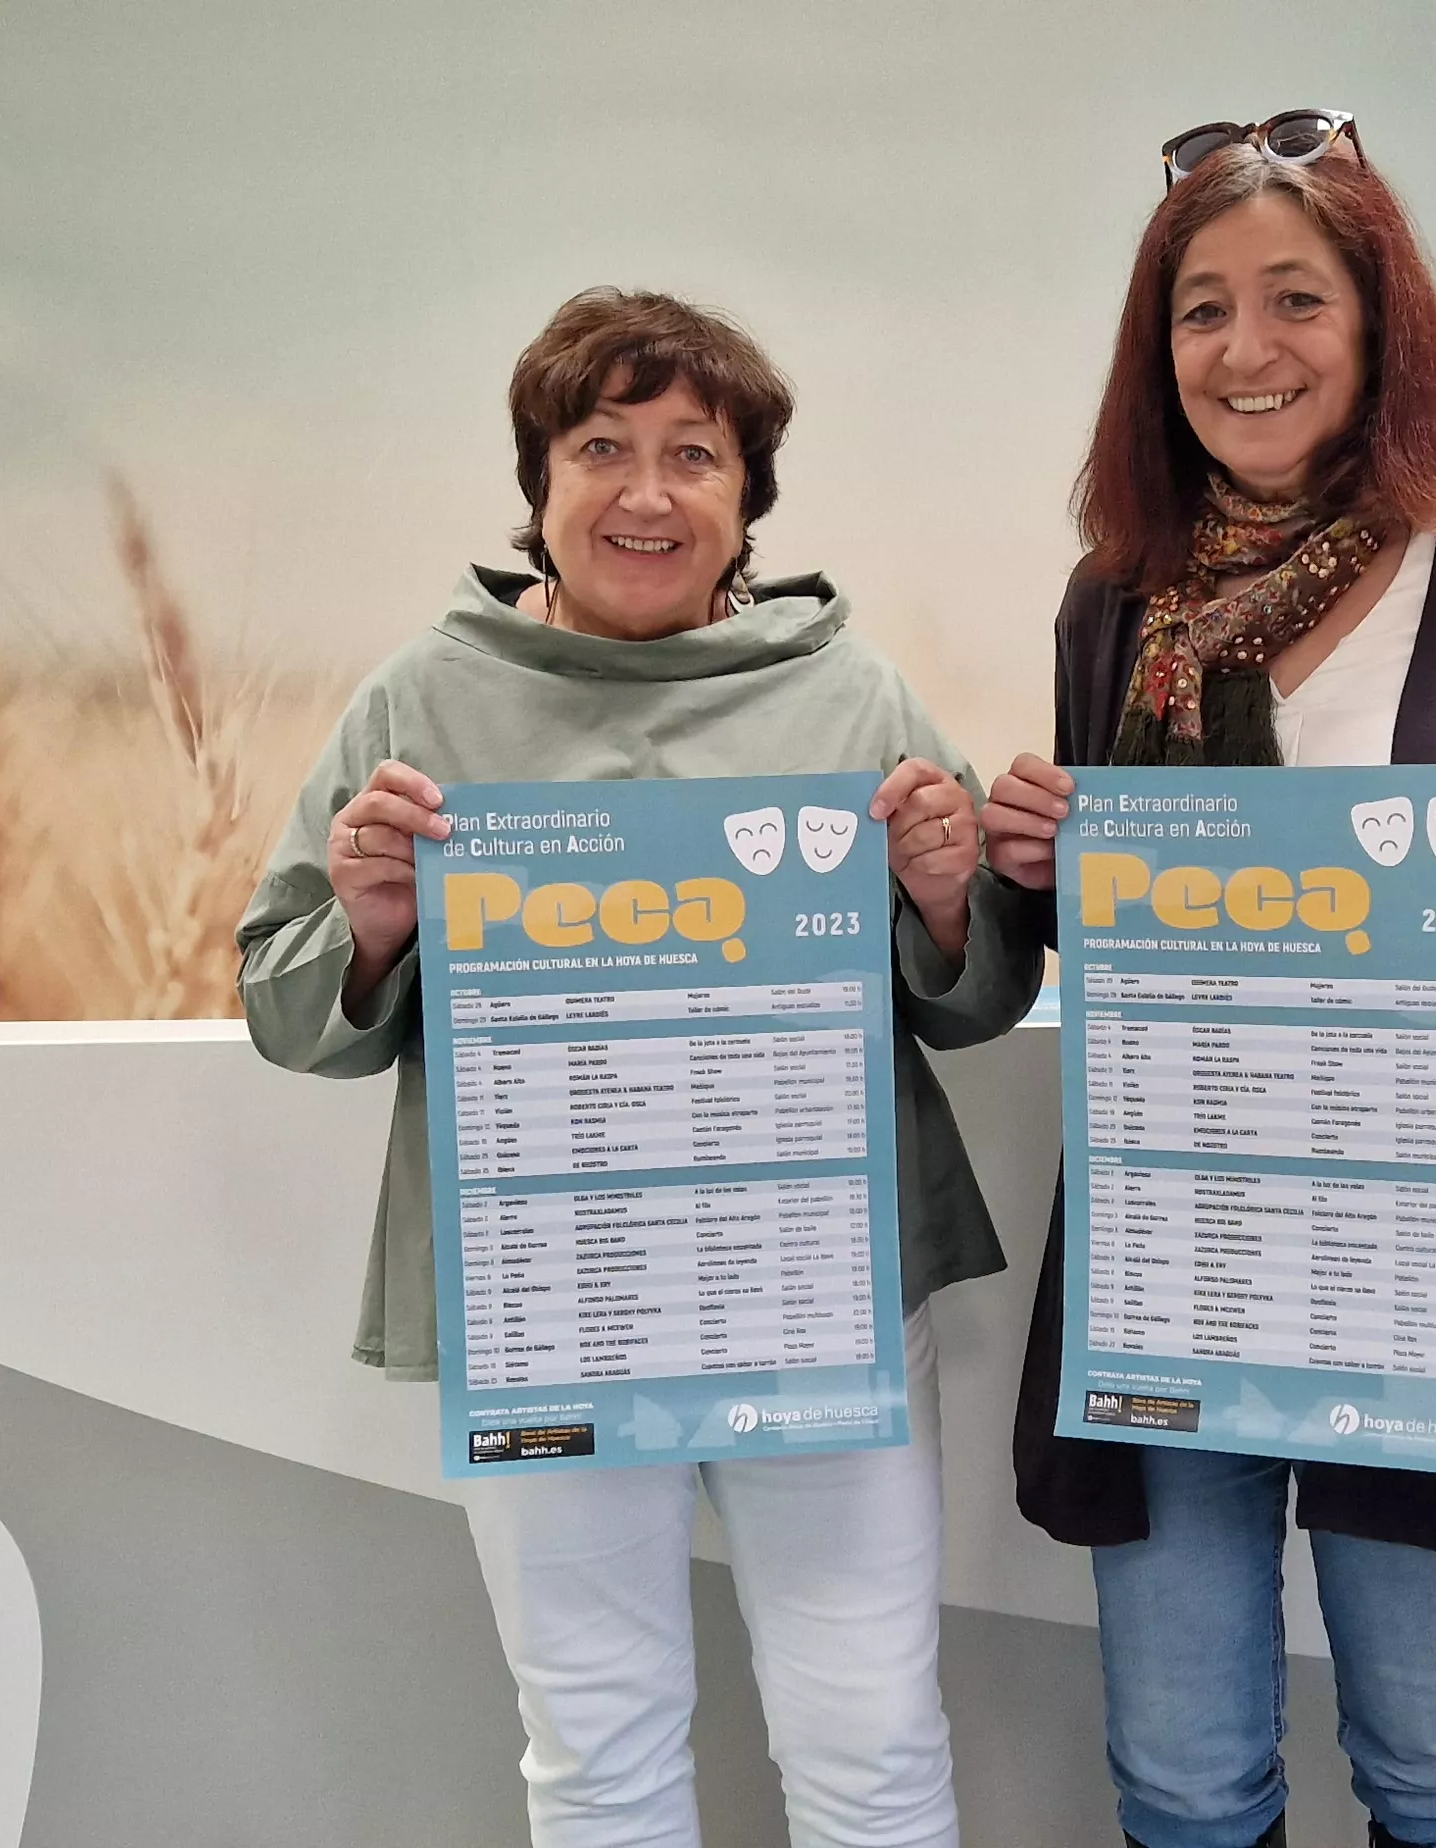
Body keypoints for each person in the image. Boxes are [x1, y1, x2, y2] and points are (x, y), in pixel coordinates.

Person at [975, 114, 1436, 1848]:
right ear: (1157, 355)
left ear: (1381, 329)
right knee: (1179, 1773)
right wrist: (1031, 868)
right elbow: (1132, 944)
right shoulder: (1115, 608)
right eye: (1201, 309)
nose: (1249, 350)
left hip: (1417, 1275)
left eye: (1296, 299)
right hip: (1179, 1266)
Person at [238, 287, 1040, 1848]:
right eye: (602, 445)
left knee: (872, 1739)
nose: (649, 491)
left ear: (749, 504)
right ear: (539, 485)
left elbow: (972, 998)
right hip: (547, 1304)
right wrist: (369, 924)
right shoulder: (420, 698)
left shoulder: (854, 693)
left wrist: (950, 898)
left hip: (824, 1294)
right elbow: (283, 1007)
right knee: (596, 1751)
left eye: (697, 453)